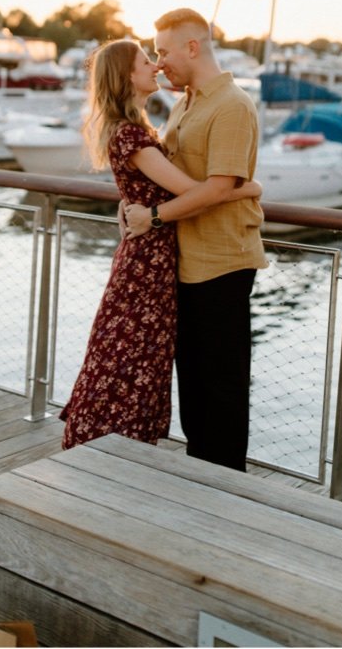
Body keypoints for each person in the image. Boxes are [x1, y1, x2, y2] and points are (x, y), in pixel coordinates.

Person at [60, 39, 262, 450]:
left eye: (157, 57)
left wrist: (134, 204)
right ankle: (112, 442)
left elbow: (157, 187)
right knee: (133, 355)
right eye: (146, 61)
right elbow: (192, 190)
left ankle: (120, 441)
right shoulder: (132, 134)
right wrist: (250, 188)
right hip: (148, 261)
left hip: (157, 255)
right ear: (126, 75)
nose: (155, 66)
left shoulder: (138, 129)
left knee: (136, 354)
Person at [123, 8, 267, 471]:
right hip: (186, 263)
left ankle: (225, 493)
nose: (159, 61)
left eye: (163, 51)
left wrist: (155, 218)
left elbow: (220, 188)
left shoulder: (232, 106)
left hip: (223, 264)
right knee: (195, 392)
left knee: (221, 392)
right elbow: (180, 178)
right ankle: (200, 485)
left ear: (192, 47)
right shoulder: (185, 103)